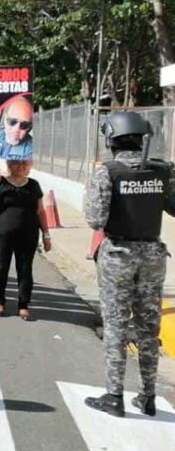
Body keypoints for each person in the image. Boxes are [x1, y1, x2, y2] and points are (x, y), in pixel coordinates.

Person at [83, 111, 174, 418]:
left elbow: (95, 219)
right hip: (152, 255)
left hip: (118, 254)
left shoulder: (108, 172)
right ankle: (148, 396)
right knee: (149, 327)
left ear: (112, 139)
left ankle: (114, 395)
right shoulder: (162, 171)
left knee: (117, 327)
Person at [0, 159, 50, 320]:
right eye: (16, 163)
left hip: (28, 233)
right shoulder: (0, 182)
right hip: (1, 232)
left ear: (30, 166)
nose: (20, 166)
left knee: (25, 268)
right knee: (1, 266)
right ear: (9, 165)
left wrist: (46, 234)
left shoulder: (34, 185)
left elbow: (40, 211)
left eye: (24, 164)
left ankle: (23, 305)